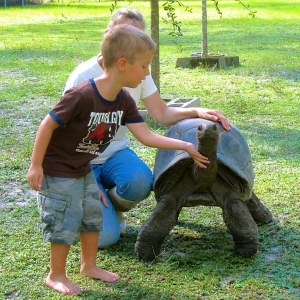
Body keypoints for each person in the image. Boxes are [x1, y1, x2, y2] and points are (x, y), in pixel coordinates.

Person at [27, 24, 210, 295]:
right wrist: (36, 165)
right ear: (123, 64)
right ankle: (56, 275)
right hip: (59, 169)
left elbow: (146, 135)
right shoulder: (82, 94)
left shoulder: (123, 98)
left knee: (91, 217)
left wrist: (185, 145)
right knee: (64, 221)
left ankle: (89, 266)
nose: (148, 73)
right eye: (145, 66)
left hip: (83, 168)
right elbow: (48, 125)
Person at [64, 8, 231, 248]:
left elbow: (160, 115)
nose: (134, 43)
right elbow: (60, 136)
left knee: (140, 182)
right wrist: (86, 179)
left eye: (138, 36)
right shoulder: (82, 79)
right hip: (80, 162)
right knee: (106, 239)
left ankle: (107, 206)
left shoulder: (135, 72)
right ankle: (78, 203)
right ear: (109, 35)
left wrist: (196, 112)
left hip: (115, 155)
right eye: (127, 34)